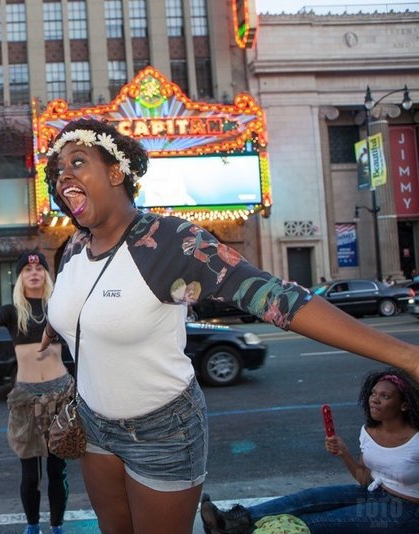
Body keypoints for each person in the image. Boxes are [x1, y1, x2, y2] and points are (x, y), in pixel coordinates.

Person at [38, 118, 419, 534]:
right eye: (57, 171)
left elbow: (279, 299)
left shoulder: (169, 241)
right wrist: (58, 324)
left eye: (77, 162)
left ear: (116, 172)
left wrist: (405, 356)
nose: (63, 176)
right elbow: (83, 303)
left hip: (162, 431)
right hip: (93, 423)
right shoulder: (75, 246)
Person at [200, 367, 419, 533]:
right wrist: (344, 453)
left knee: (319, 522)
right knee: (308, 498)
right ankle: (231, 521)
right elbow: (364, 478)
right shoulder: (369, 431)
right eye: (373, 393)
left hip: (407, 510)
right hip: (372, 493)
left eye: (385, 396)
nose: (374, 400)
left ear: (404, 405)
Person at [0, 251, 72, 534]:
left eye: (38, 269)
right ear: (20, 277)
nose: (33, 273)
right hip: (25, 399)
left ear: (47, 275)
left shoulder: (58, 307)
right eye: (27, 270)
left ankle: (57, 526)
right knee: (30, 475)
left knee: (57, 470)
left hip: (60, 396)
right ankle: (33, 526)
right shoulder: (14, 312)